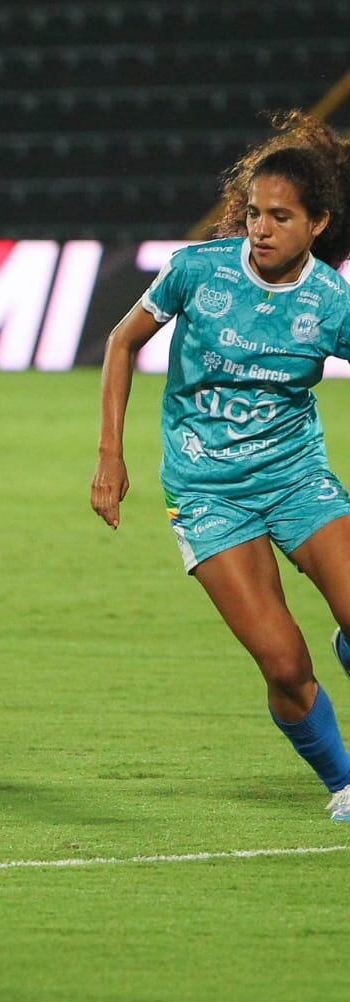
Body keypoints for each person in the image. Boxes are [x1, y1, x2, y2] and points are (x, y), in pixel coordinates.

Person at [91, 111, 350, 823]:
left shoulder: (331, 300)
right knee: (285, 665)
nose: (261, 229)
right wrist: (111, 455)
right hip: (210, 496)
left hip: (298, 479)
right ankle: (346, 782)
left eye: (281, 217)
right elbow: (121, 343)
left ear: (318, 224)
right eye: (255, 213)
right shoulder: (197, 273)